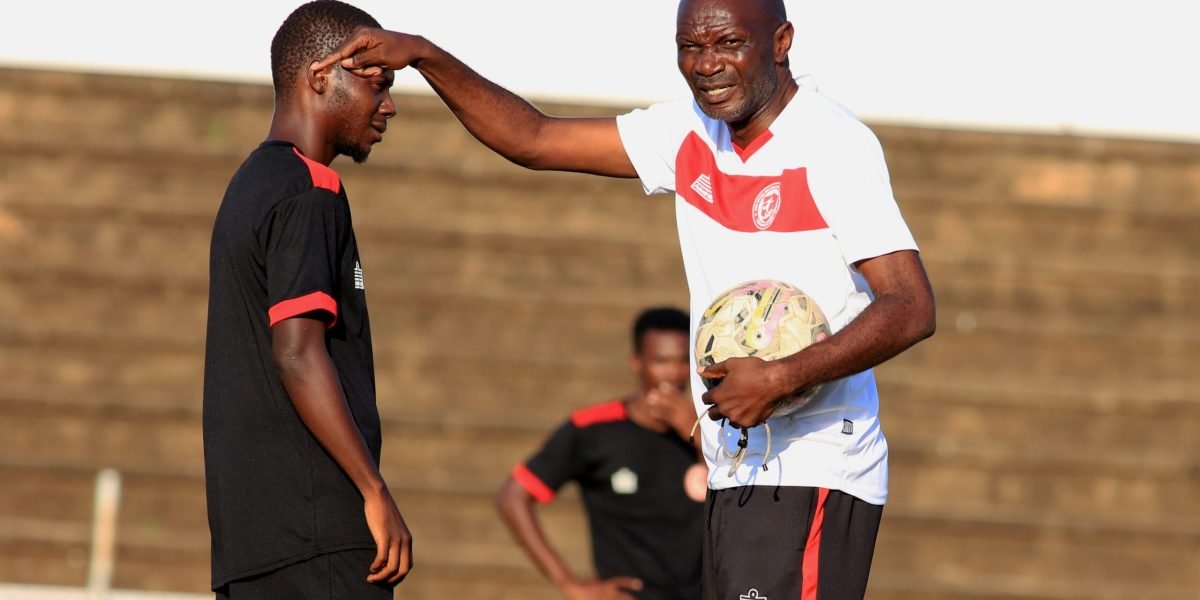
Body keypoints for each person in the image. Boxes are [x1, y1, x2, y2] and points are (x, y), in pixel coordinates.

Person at [313, 0, 937, 597]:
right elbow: (532, 138)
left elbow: (909, 306)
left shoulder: (834, 144)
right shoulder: (688, 132)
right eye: (689, 47)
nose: (707, 64)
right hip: (735, 468)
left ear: (781, 42)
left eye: (728, 43)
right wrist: (425, 55)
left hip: (815, 466)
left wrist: (781, 376)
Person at [202, 2, 412, 598]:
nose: (389, 105)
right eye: (379, 85)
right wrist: (373, 490)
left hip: (251, 542)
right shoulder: (310, 188)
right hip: (319, 531)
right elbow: (296, 351)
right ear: (321, 77)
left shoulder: (250, 183)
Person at [496, 307, 706, 600]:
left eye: (684, 361)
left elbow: (731, 501)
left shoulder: (715, 433)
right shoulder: (592, 429)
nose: (673, 372)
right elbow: (513, 497)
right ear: (637, 362)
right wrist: (570, 584)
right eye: (661, 361)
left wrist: (698, 435)